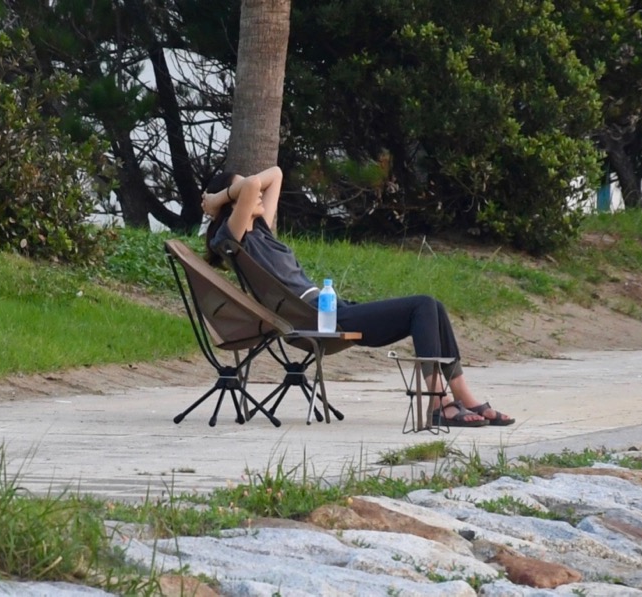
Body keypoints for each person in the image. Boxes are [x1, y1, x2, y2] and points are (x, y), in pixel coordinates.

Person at [200, 166, 515, 427]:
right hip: (313, 316)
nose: (254, 194)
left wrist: (231, 192)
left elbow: (276, 174)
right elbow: (257, 182)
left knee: (433, 306)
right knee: (421, 305)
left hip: (331, 308)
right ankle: (437, 404)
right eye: (243, 193)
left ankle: (463, 398)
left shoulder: (260, 231)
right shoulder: (233, 236)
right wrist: (216, 199)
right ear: (230, 205)